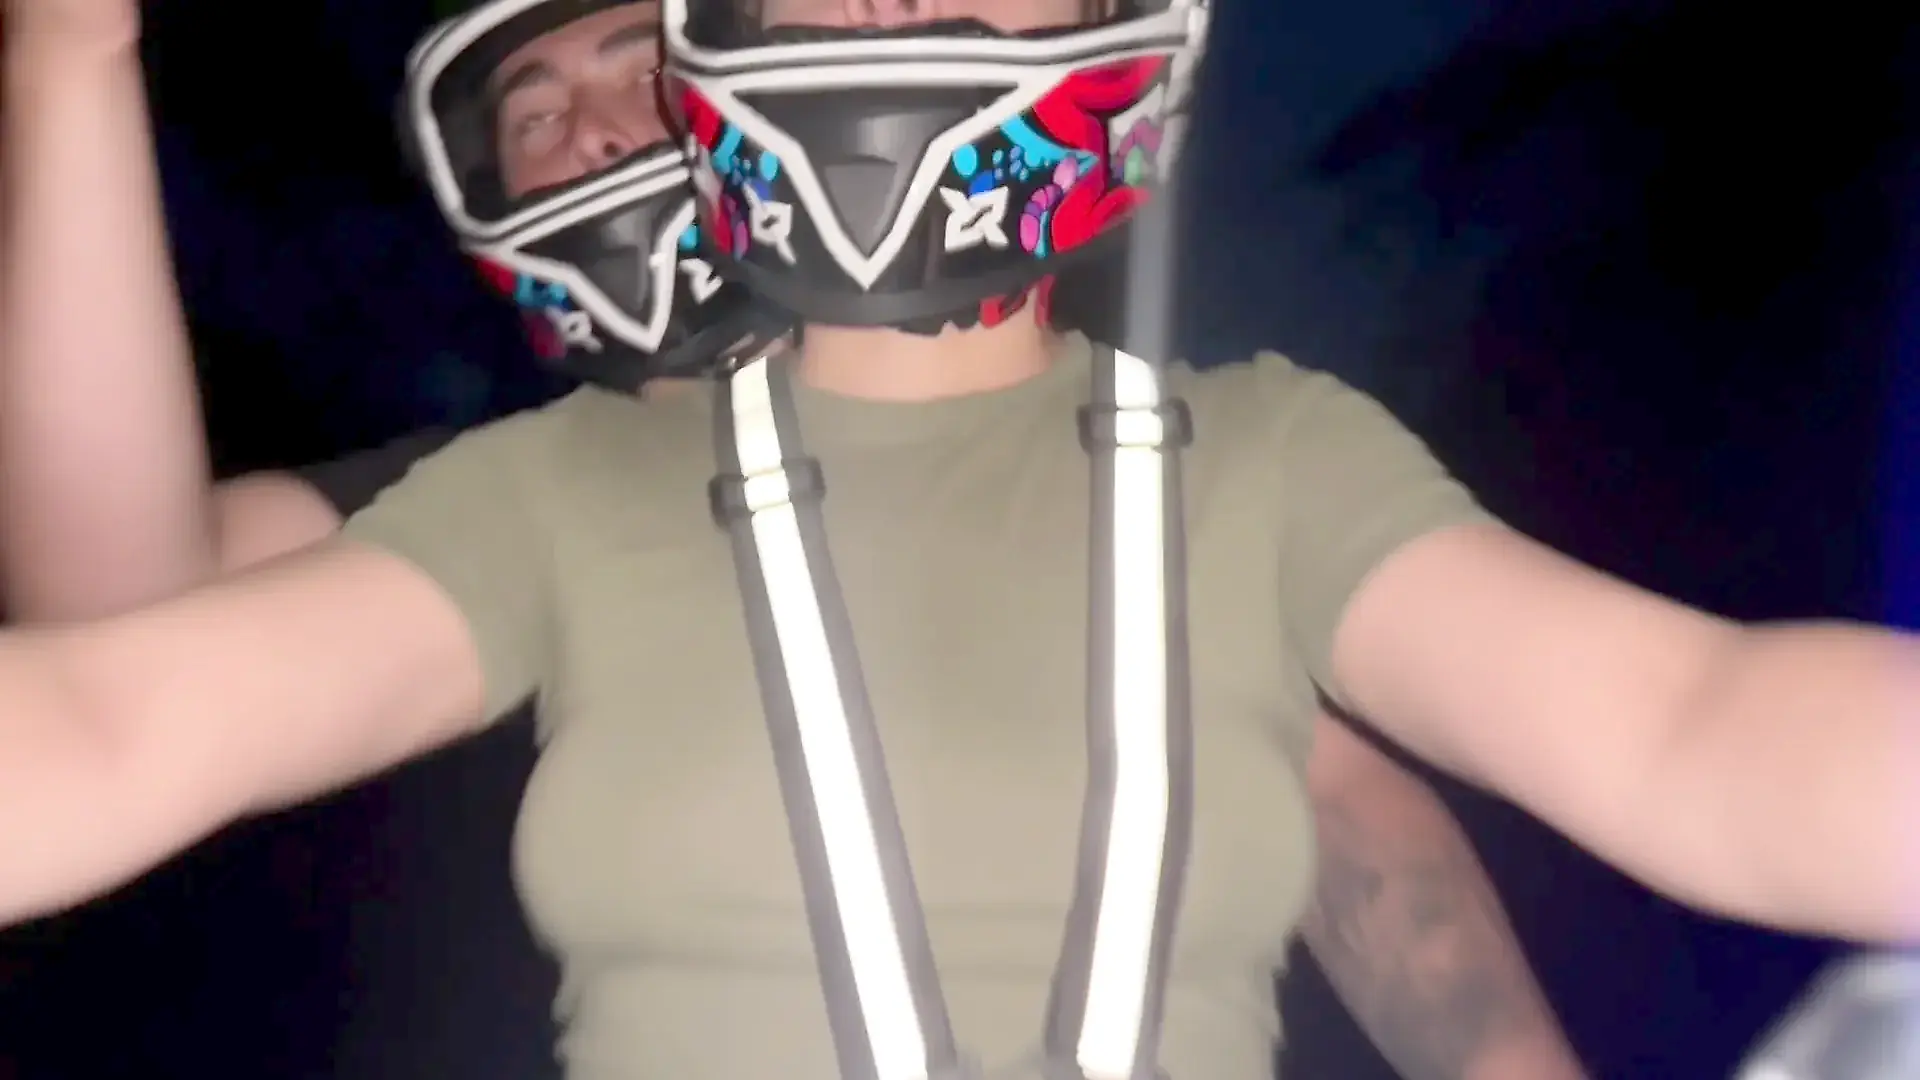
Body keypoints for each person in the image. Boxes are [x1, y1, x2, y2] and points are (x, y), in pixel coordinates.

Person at [5, 0, 1908, 1078]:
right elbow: (107, 692)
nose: (581, 137)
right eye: (532, 111)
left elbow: (1665, 736)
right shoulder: (516, 494)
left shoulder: (1243, 462)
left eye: (611, 72)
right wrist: (68, 58)